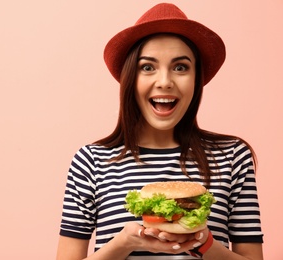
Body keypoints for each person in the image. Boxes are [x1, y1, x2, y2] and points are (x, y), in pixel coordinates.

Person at [56, 3, 263, 260]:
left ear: (196, 79)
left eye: (180, 67)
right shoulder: (91, 162)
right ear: (131, 78)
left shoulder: (232, 157)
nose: (165, 81)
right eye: (147, 67)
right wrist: (122, 244)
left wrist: (205, 243)